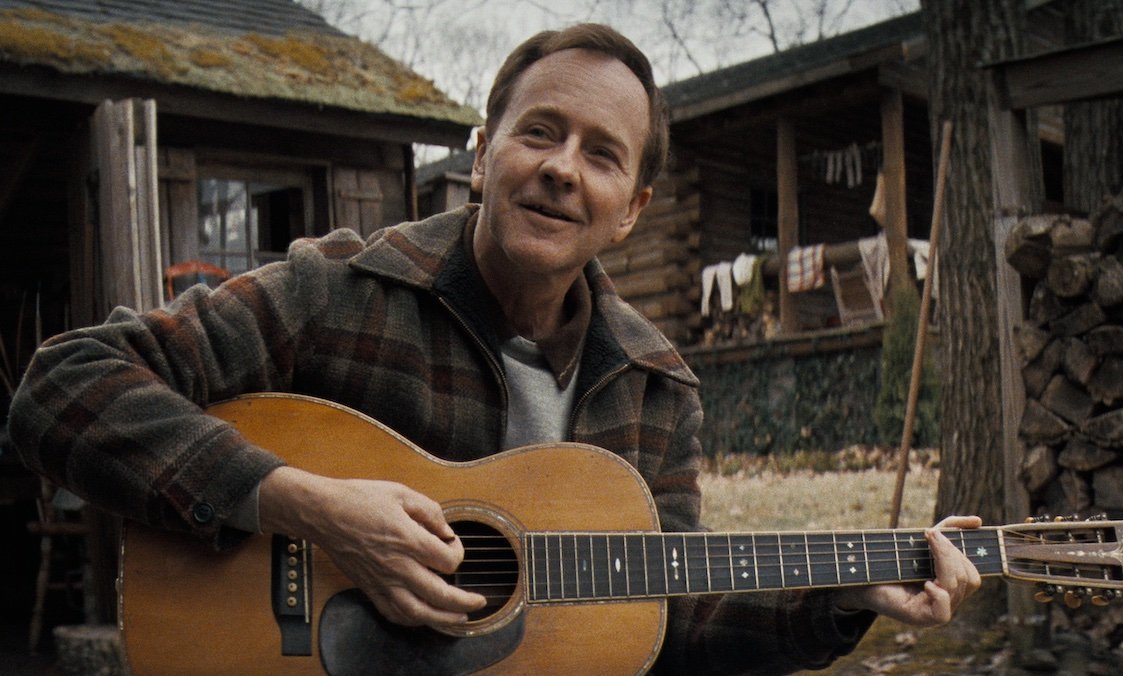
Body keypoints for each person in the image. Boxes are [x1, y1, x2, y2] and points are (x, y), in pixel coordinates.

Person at [9, 23, 980, 673]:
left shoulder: (653, 390)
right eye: (539, 134)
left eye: (602, 154)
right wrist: (309, 504)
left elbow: (670, 619)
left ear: (634, 210)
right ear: (482, 155)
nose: (563, 169)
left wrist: (845, 592)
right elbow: (62, 386)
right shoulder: (339, 291)